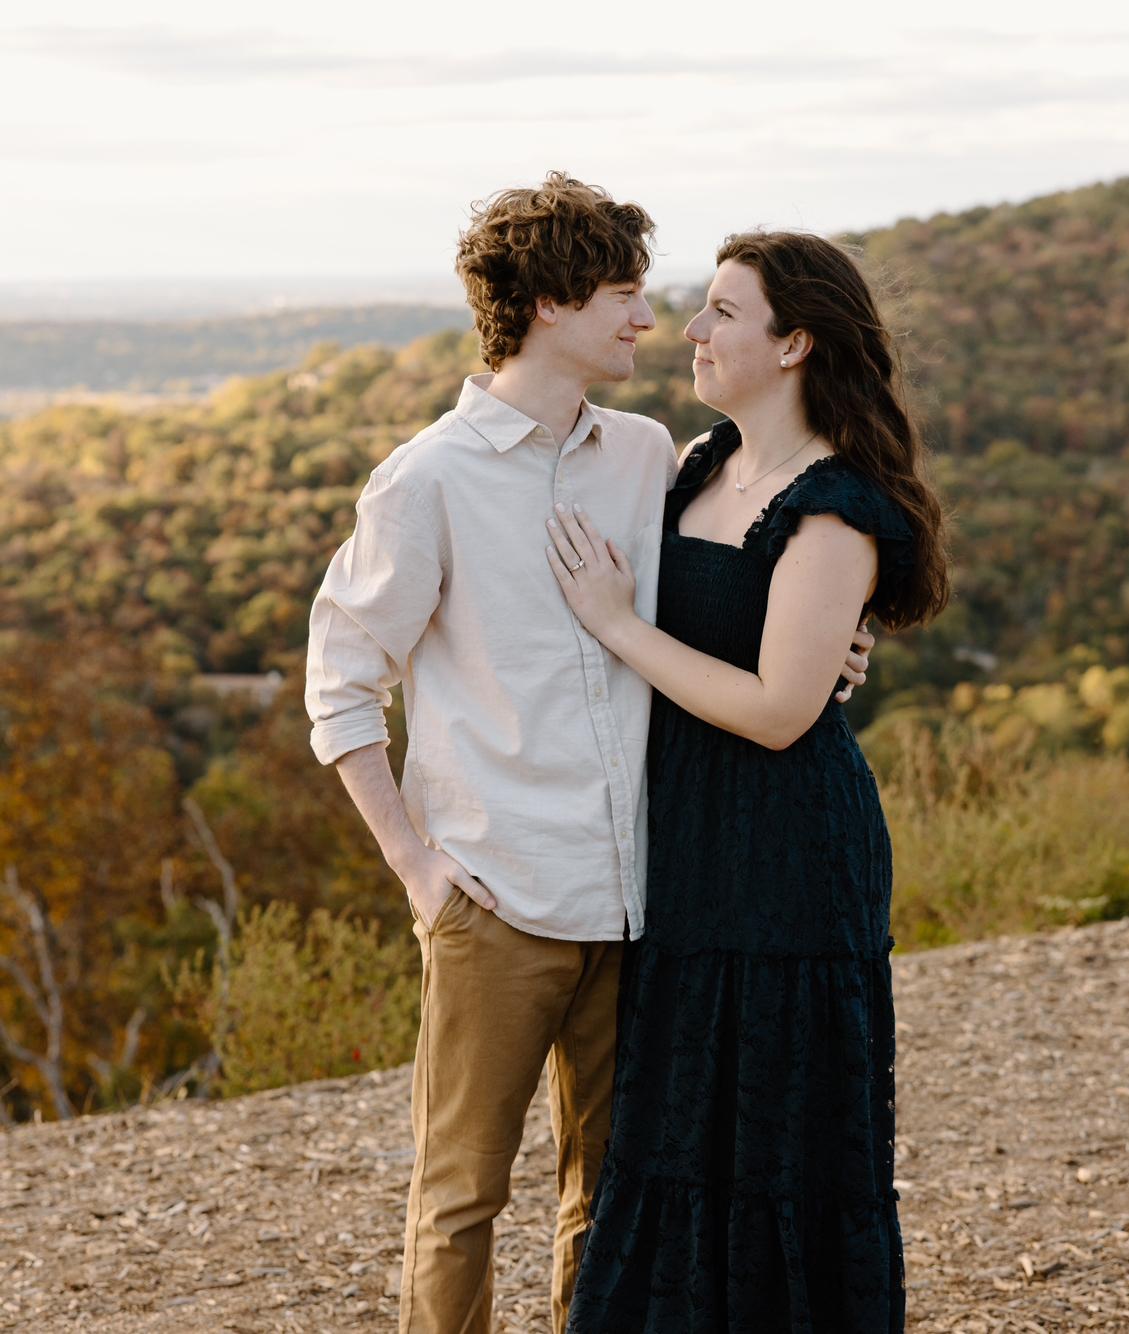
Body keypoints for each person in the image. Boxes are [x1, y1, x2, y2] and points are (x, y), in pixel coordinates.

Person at [304, 175, 874, 1334]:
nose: (647, 321)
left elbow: (734, 589)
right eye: (624, 294)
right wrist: (418, 869)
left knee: (612, 1199)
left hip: (645, 900)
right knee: (460, 1196)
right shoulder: (428, 479)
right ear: (555, 303)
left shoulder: (651, 452)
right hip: (498, 895)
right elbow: (341, 688)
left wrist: (833, 651)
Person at [546, 231, 950, 1332]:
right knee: (673, 1128)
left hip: (785, 854)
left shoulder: (835, 504)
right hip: (685, 843)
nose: (692, 329)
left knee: (774, 1139)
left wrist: (619, 626)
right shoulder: (693, 463)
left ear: (794, 342)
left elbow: (778, 712)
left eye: (723, 311)